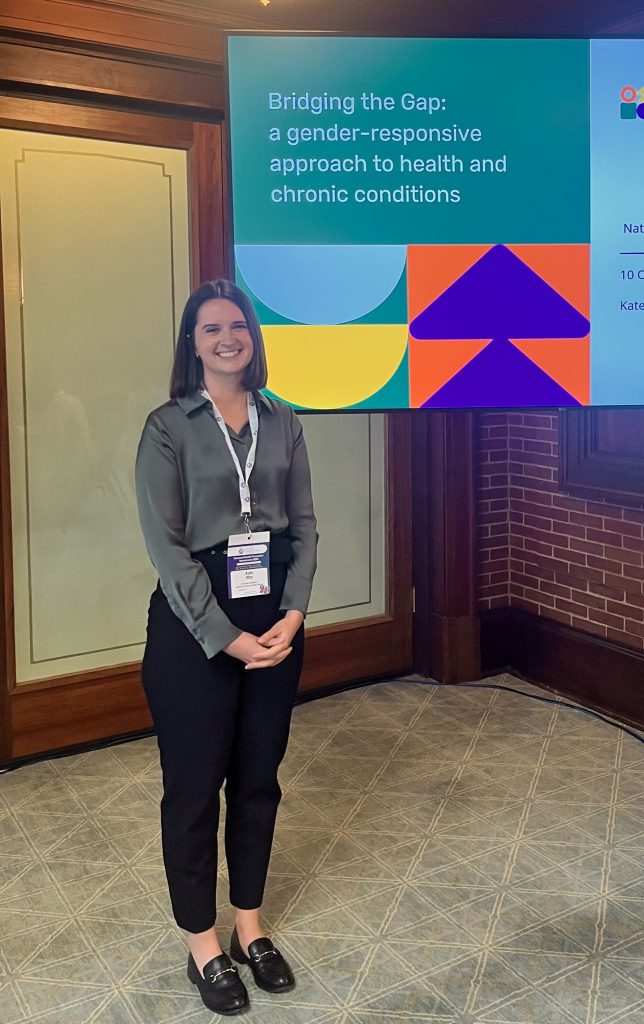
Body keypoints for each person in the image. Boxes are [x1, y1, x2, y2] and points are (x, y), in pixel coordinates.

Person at [136, 279, 318, 1015]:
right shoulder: (167, 426)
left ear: (253, 337)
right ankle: (201, 941)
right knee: (193, 788)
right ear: (192, 344)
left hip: (273, 616)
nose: (226, 338)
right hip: (193, 629)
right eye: (210, 328)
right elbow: (167, 547)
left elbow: (304, 525)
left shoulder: (284, 420)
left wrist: (296, 609)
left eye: (236, 326)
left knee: (257, 779)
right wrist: (225, 637)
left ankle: (249, 925)